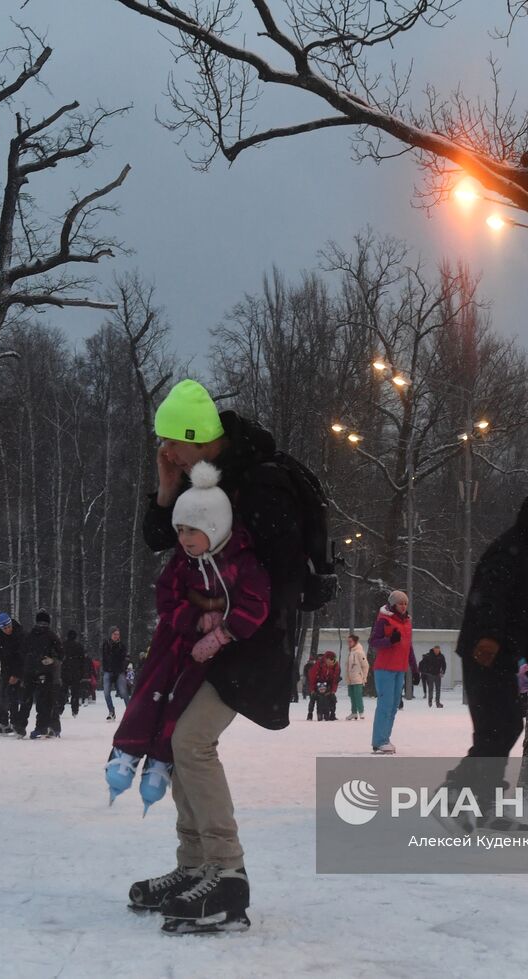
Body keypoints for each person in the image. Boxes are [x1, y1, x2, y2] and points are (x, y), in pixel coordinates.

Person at [129, 381, 309, 934]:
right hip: (204, 641)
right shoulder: (196, 477)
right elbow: (166, 542)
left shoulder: (258, 483)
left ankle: (228, 875)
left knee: (190, 741)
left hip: (249, 640)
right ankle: (195, 865)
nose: (166, 454)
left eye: (170, 445)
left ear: (196, 440)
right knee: (176, 737)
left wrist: (228, 621)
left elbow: (278, 572)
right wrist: (165, 488)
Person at [108, 461, 272, 821]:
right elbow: (165, 597)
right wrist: (193, 619)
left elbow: (257, 604)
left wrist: (222, 633)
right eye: (179, 529)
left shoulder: (243, 563)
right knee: (150, 693)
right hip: (174, 643)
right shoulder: (182, 562)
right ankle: (127, 750)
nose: (182, 538)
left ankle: (160, 762)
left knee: (179, 704)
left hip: (210, 658)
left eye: (191, 530)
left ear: (213, 528)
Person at [442, 489, 528, 829]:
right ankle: (454, 794)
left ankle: (482, 804)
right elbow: (489, 597)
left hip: (500, 654)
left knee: (501, 728)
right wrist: (488, 638)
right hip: (484, 654)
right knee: (497, 728)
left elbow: (523, 613)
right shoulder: (509, 552)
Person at [367, 590, 414, 753]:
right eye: (400, 603)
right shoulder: (384, 620)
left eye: (405, 603)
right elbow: (373, 641)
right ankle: (379, 741)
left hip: (399, 669)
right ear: (393, 604)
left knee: (394, 706)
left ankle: (385, 739)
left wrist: (414, 669)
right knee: (385, 705)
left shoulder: (407, 622)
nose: (403, 606)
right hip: (385, 669)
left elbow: (409, 647)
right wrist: (389, 641)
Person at [21, 610, 64, 738]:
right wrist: (53, 660)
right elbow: (61, 653)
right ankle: (45, 727)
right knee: (45, 701)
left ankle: (40, 727)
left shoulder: (31, 635)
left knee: (37, 700)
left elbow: (23, 651)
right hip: (46, 672)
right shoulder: (51, 636)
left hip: (35, 671)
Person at [0, 613, 24, 734]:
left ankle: (14, 722)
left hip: (16, 667)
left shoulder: (19, 633)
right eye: (5, 628)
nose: (8, 630)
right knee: (3, 694)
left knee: (13, 695)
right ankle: (3, 722)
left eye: (9, 627)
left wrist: (16, 674)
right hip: (5, 666)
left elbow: (22, 656)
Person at [101, 626, 129, 721]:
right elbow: (104, 658)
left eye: (118, 634)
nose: (116, 636)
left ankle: (129, 712)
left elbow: (124, 658)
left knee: (124, 692)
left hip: (119, 671)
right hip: (108, 671)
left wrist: (122, 668)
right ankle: (111, 712)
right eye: (114, 634)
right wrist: (105, 668)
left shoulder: (121, 645)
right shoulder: (105, 644)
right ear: (111, 635)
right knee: (106, 693)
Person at [62, 630, 90, 717]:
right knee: (75, 692)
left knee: (63, 691)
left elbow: (60, 658)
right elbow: (82, 661)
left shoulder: (63, 645)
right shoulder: (79, 646)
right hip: (76, 671)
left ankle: (60, 708)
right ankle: (75, 710)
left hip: (65, 671)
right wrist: (82, 673)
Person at [344, 633, 368, 720]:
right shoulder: (351, 652)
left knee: (358, 695)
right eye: (348, 642)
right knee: (352, 696)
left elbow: (365, 665)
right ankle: (354, 712)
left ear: (355, 641)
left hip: (358, 678)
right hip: (350, 679)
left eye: (350, 641)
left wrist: (364, 677)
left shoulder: (359, 652)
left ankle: (361, 712)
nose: (349, 643)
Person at [314, 650, 341, 721]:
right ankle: (320, 713)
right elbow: (313, 676)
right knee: (320, 699)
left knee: (332, 698)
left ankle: (331, 714)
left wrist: (333, 690)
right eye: (328, 660)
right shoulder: (320, 664)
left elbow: (335, 679)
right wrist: (313, 688)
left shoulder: (336, 666)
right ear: (326, 659)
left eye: (331, 661)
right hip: (320, 684)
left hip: (329, 684)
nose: (330, 662)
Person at [303, 649, 321, 721]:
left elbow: (305, 674)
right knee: (314, 700)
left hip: (313, 684)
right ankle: (314, 714)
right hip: (313, 684)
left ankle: (311, 714)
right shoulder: (314, 666)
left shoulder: (309, 666)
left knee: (314, 700)